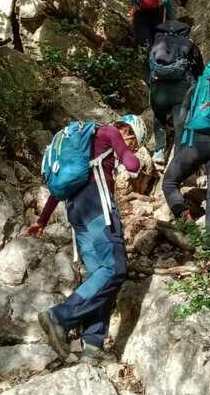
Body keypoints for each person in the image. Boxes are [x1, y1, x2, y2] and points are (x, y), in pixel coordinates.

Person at [28, 114, 146, 361]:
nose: (133, 146)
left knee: (100, 277)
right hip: (97, 209)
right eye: (134, 141)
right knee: (115, 268)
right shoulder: (109, 132)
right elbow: (133, 165)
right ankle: (59, 316)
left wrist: (42, 220)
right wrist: (130, 155)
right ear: (127, 130)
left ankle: (92, 346)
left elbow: (58, 191)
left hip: (76, 214)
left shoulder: (83, 147)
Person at [162, 57, 210, 231]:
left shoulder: (200, 85)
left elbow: (181, 120)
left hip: (195, 142)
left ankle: (183, 216)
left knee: (169, 182)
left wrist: (181, 150)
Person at [148, 20, 203, 167]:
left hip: (159, 90)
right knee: (180, 123)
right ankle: (178, 158)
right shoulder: (189, 45)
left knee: (159, 116)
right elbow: (199, 69)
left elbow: (149, 68)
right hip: (181, 90)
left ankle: (159, 151)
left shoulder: (155, 45)